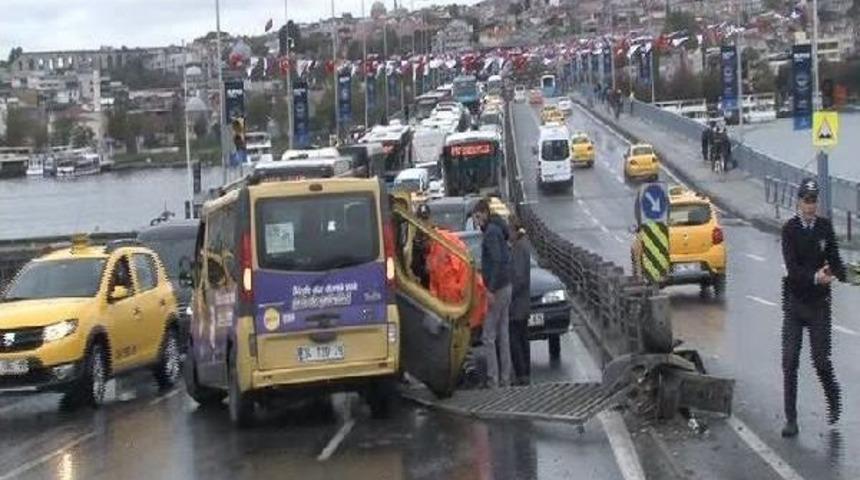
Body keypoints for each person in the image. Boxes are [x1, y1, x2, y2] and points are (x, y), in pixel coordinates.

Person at [780, 178, 846, 438]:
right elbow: (793, 269)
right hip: (795, 304)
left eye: (814, 200)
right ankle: (791, 419)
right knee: (790, 361)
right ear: (799, 202)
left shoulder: (825, 228)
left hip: (819, 305)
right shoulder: (790, 230)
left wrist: (837, 273)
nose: (811, 206)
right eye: (807, 200)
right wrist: (814, 277)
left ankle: (833, 397)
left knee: (820, 360)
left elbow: (837, 262)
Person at [472, 198, 513, 388]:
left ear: (485, 214)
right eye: (475, 218)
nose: (477, 221)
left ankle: (493, 379)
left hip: (497, 289)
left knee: (488, 336)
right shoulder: (498, 229)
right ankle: (505, 378)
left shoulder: (490, 233)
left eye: (478, 216)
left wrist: (490, 289)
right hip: (507, 286)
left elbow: (495, 261)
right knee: (503, 333)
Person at [508, 216, 531, 385]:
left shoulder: (519, 248)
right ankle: (525, 372)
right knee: (522, 336)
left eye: (509, 231)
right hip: (522, 302)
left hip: (517, 303)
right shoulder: (522, 246)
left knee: (516, 338)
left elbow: (519, 277)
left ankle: (522, 373)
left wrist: (510, 294)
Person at [411, 203, 433, 288]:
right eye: (421, 219)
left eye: (426, 218)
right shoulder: (415, 240)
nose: (424, 222)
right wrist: (426, 271)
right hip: (425, 283)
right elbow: (414, 266)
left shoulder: (437, 235)